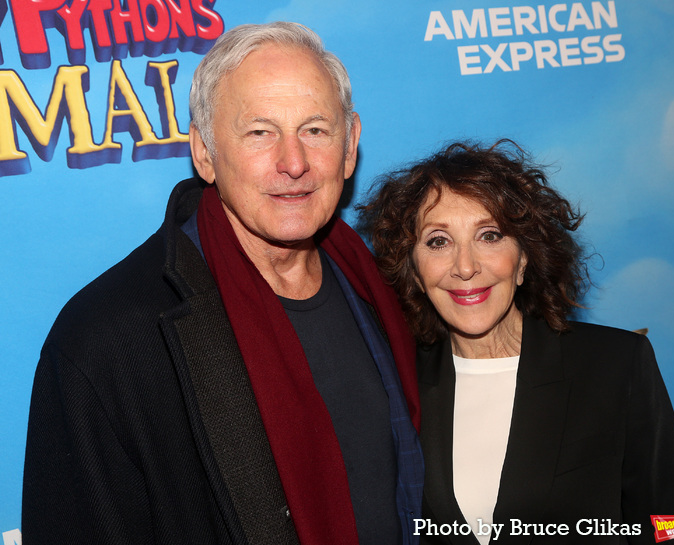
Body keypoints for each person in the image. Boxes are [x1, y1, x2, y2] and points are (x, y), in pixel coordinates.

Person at [22, 22, 423, 545]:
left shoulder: (384, 287)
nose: (294, 162)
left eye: (316, 130)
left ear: (350, 147)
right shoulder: (105, 340)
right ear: (205, 152)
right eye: (260, 132)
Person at [360, 140, 674, 544]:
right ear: (413, 270)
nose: (465, 266)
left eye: (489, 235)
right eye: (438, 241)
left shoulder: (614, 364)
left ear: (523, 259)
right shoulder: (398, 384)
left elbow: (672, 524)